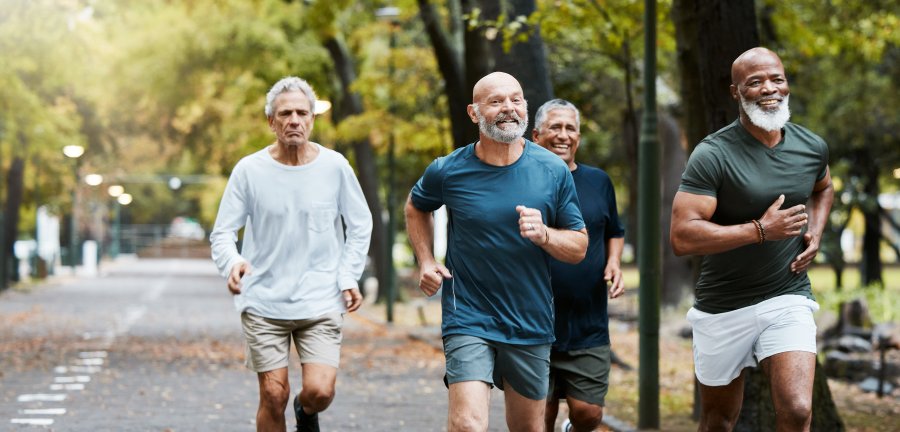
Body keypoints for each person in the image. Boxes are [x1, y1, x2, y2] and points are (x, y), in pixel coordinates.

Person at [405, 72, 588, 432]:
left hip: (529, 320)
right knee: (467, 425)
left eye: (516, 100)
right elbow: (416, 206)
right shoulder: (448, 170)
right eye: (496, 101)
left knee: (528, 428)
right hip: (468, 317)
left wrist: (545, 235)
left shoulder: (552, 170)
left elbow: (579, 246)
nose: (509, 108)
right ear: (474, 113)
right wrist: (426, 260)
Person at [670, 47, 834, 432]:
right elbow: (682, 236)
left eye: (777, 79)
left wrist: (816, 230)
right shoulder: (713, 154)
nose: (769, 89)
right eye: (755, 82)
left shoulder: (811, 147)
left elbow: (824, 188)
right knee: (718, 421)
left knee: (797, 410)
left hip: (787, 295)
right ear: (736, 92)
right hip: (723, 305)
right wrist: (760, 230)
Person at [209, 76, 372, 432]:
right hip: (263, 300)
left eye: (302, 113)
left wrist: (348, 275)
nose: (294, 120)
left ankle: (305, 410)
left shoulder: (335, 167)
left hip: (321, 298)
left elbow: (360, 224)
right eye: (285, 114)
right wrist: (232, 262)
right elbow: (222, 233)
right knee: (273, 394)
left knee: (320, 392)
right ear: (271, 121)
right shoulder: (249, 170)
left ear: (312, 119)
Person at [531, 99, 625, 432]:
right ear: (536, 135)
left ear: (579, 138)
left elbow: (614, 230)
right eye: (555, 127)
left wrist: (614, 262)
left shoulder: (599, 181)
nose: (563, 135)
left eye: (570, 128)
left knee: (589, 414)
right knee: (539, 416)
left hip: (588, 325)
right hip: (533, 325)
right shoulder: (522, 181)